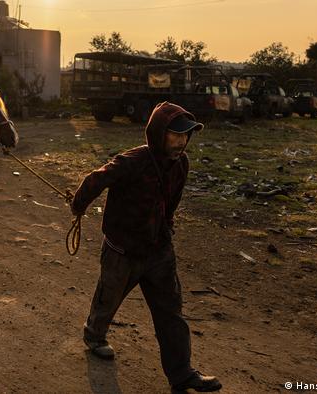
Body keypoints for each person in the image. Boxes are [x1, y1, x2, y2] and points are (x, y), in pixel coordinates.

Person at [70, 102, 222, 393]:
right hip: (121, 250)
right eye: (175, 135)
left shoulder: (182, 164)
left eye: (186, 135)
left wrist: (167, 227)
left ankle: (182, 374)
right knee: (108, 299)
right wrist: (78, 205)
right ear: (157, 133)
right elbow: (96, 179)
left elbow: (171, 202)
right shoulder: (133, 161)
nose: (182, 141)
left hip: (158, 251)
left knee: (171, 313)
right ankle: (94, 335)